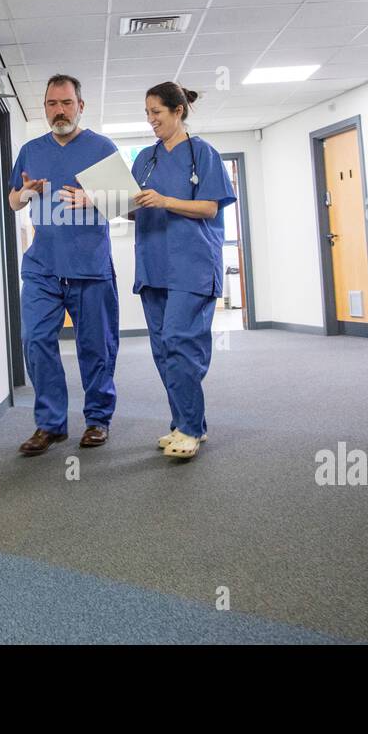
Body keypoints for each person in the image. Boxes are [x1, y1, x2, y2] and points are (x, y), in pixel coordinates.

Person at [9, 74, 120, 455]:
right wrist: (24, 193)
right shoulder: (31, 150)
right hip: (42, 266)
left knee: (96, 347)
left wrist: (93, 200)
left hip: (89, 266)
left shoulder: (101, 147)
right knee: (36, 339)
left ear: (80, 106)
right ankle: (51, 423)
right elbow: (13, 200)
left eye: (67, 103)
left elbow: (128, 202)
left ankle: (97, 420)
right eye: (52, 104)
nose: (60, 111)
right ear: (45, 108)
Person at [129, 82, 236, 459]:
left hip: (191, 265)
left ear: (178, 111)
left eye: (156, 112)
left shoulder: (203, 154)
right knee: (163, 349)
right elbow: (135, 205)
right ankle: (186, 424)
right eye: (147, 113)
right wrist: (104, 200)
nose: (151, 120)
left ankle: (189, 427)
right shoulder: (145, 158)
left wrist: (166, 201)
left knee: (179, 342)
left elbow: (209, 207)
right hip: (154, 264)